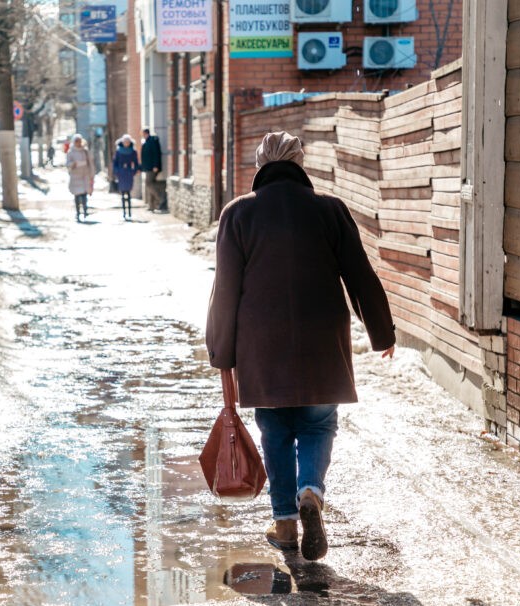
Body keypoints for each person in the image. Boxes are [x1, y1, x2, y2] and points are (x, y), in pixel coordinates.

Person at [205, 131, 396, 561]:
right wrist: (381, 332)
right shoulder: (330, 210)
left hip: (262, 348)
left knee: (274, 431)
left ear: (260, 165)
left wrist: (221, 353)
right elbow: (360, 275)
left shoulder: (238, 215)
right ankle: (311, 491)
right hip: (321, 345)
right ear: (299, 162)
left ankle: (286, 524)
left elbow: (225, 292)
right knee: (316, 425)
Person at [66, 133, 94, 221]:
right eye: (76, 141)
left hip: (85, 175)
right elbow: (67, 163)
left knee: (84, 194)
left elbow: (91, 163)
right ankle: (78, 212)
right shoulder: (70, 152)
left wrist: (92, 175)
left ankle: (85, 210)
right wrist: (73, 164)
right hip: (75, 177)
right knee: (77, 196)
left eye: (79, 141)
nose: (78, 143)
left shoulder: (85, 151)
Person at [112, 134, 139, 220]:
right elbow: (115, 163)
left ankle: (130, 212)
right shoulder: (118, 151)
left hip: (128, 173)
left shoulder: (133, 151)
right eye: (125, 142)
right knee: (123, 194)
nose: (126, 143)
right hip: (121, 173)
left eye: (127, 142)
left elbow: (136, 162)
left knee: (129, 193)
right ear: (122, 142)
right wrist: (117, 172)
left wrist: (133, 171)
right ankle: (124, 212)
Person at [140, 128, 164, 212]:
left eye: (142, 133)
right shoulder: (146, 141)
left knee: (148, 183)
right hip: (148, 167)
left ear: (145, 133)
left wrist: (155, 165)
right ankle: (151, 206)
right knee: (150, 184)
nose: (141, 134)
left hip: (152, 167)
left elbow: (156, 153)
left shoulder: (152, 141)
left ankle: (160, 198)